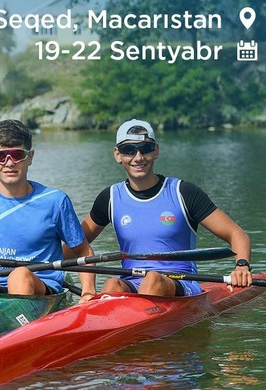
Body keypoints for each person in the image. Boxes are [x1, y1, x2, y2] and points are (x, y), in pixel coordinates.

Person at [81, 118, 253, 296]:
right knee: (111, 285)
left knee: (153, 280)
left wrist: (242, 265)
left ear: (156, 151)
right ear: (118, 154)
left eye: (145, 149)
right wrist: (50, 263)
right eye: (129, 150)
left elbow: (237, 234)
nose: (138, 157)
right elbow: (76, 244)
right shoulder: (109, 198)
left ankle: (138, 320)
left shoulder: (183, 193)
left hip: (181, 282)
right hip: (131, 280)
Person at [0, 120, 96, 302]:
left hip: (39, 285)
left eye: (17, 154)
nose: (9, 163)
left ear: (30, 157)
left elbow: (83, 251)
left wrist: (88, 292)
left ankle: (16, 324)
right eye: (0, 156)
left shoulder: (55, 201)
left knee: (19, 276)